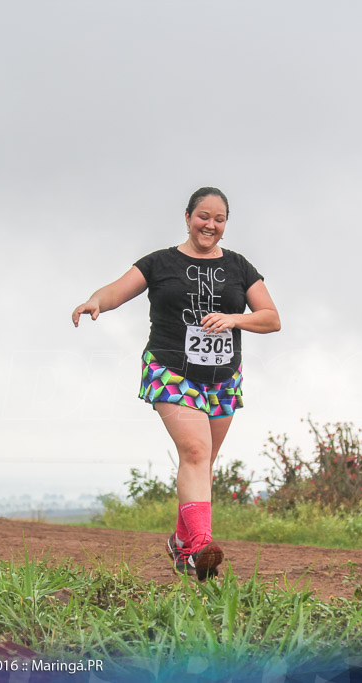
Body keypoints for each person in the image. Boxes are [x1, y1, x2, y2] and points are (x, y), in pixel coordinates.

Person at [71, 187, 281, 581]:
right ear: (187, 217)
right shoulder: (160, 262)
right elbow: (116, 290)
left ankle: (180, 544)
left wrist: (234, 319)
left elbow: (271, 317)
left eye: (219, 219)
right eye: (204, 216)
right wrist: (95, 301)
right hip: (171, 370)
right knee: (197, 451)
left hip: (222, 377)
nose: (211, 225)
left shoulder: (239, 267)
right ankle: (200, 545)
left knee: (202, 463)